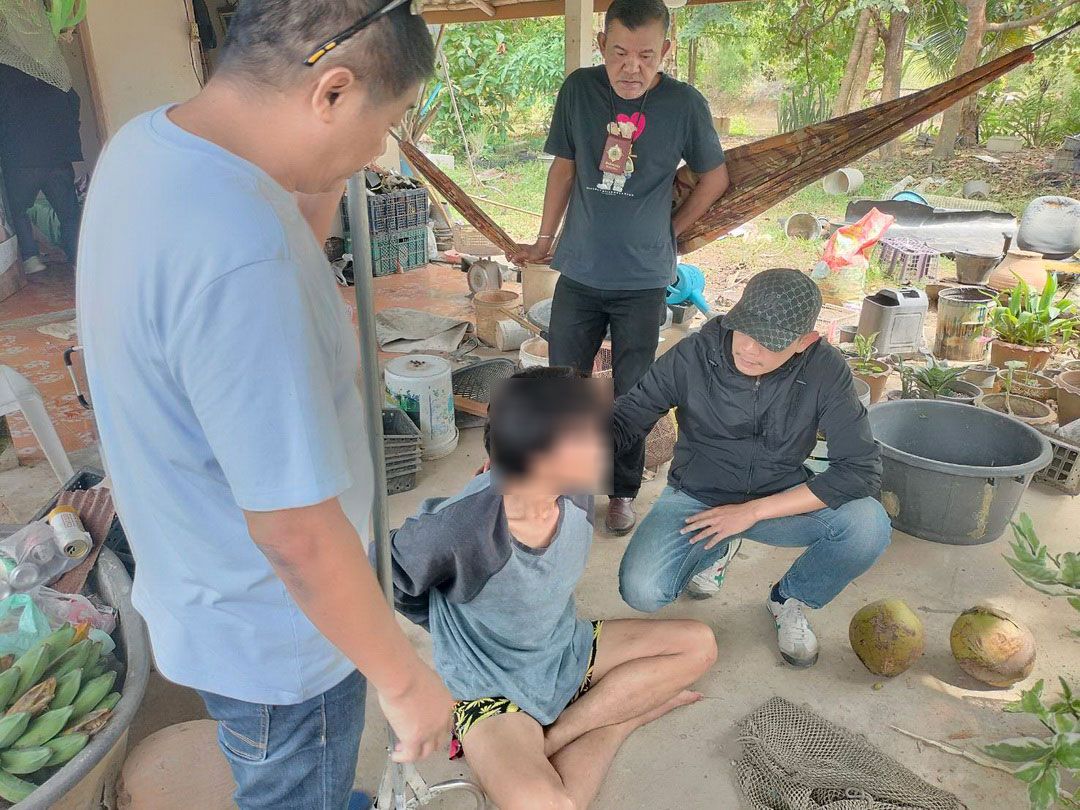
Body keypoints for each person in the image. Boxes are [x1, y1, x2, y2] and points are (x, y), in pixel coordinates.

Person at [76, 1, 452, 806]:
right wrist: (404, 679)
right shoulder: (243, 259)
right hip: (282, 640)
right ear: (333, 91)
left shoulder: (147, 147)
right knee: (298, 788)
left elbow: (265, 268)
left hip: (200, 583)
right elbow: (297, 535)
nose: (379, 150)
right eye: (388, 121)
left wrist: (324, 171)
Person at [382, 368, 717, 810]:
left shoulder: (573, 492)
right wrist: (444, 627)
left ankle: (562, 733)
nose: (601, 446)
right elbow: (380, 576)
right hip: (493, 691)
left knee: (699, 645)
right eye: (586, 438)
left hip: (565, 649)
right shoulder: (461, 529)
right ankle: (615, 721)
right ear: (539, 459)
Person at [510, 0, 730, 536]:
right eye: (620, 53)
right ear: (601, 46)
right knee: (562, 387)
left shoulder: (684, 104)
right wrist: (544, 239)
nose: (632, 67)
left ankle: (622, 492)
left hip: (643, 280)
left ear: (667, 51)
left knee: (634, 394)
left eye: (646, 55)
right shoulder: (579, 91)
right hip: (580, 272)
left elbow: (715, 178)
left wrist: (671, 231)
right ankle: (567, 486)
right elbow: (564, 168)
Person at [615, 269, 893, 668]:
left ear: (805, 342)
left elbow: (860, 469)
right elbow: (629, 416)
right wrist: (561, 455)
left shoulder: (824, 368)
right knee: (642, 592)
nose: (749, 349)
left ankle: (789, 598)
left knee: (868, 525)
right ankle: (717, 548)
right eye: (744, 330)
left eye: (770, 343)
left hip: (779, 497)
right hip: (697, 496)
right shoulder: (695, 353)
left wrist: (752, 512)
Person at [0, 64, 83, 273]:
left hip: (20, 156)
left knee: (17, 210)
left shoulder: (4, 74)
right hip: (57, 153)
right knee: (69, 212)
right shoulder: (50, 69)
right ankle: (77, 258)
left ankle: (31, 259)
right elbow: (74, 100)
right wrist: (68, 131)